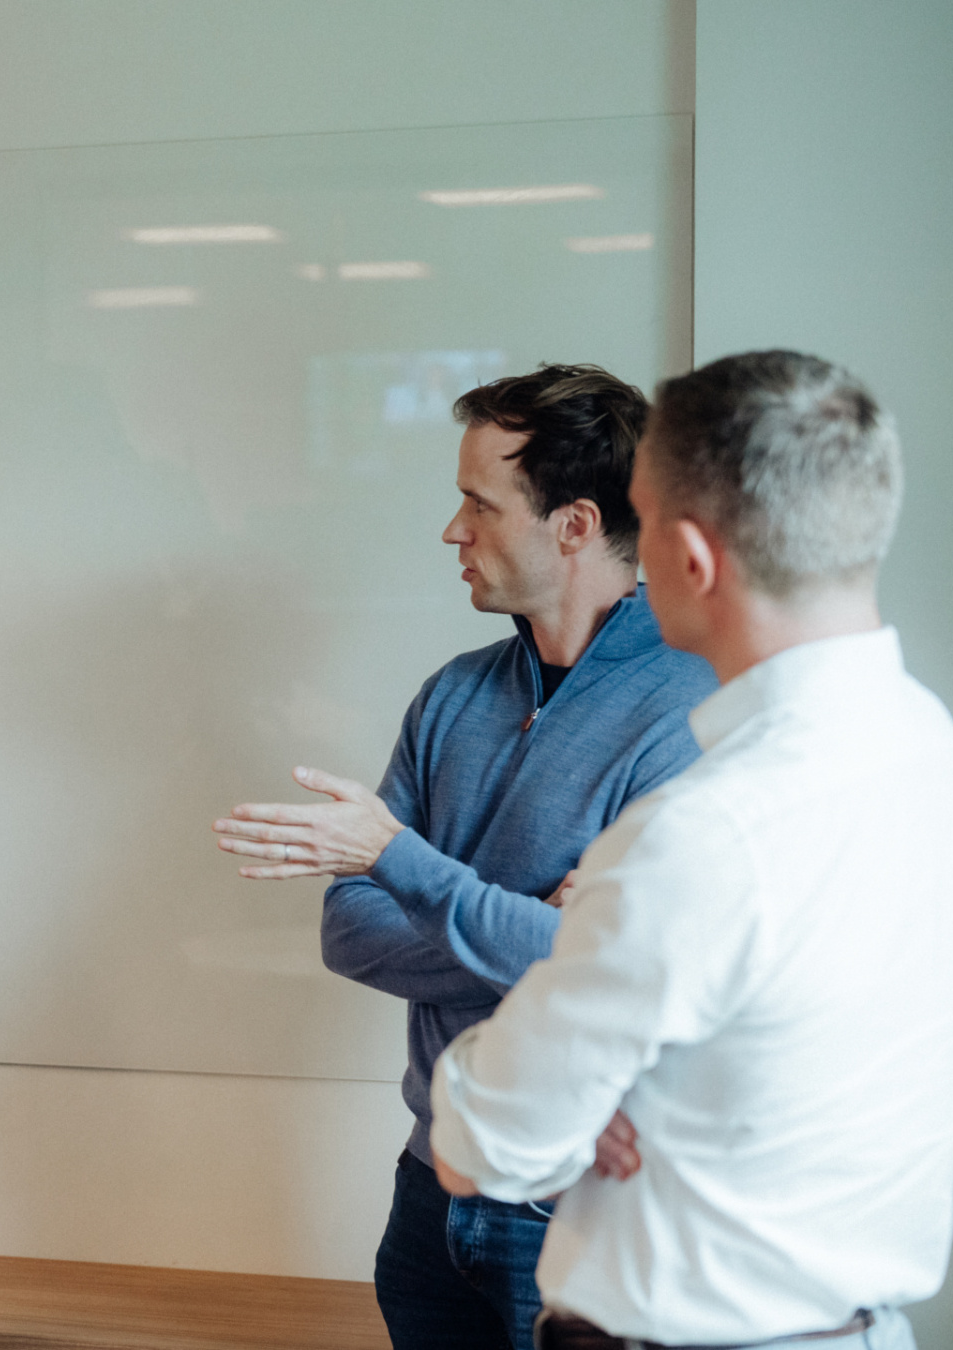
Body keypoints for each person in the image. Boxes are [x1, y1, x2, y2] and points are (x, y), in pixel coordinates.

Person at [428, 351, 953, 1350]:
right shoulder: (943, 763)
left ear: (688, 556)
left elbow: (480, 1149)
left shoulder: (702, 834)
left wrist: (543, 1071)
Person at [211, 365, 717, 1349]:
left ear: (573, 525)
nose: (454, 531)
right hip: (429, 1190)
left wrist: (412, 869)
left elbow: (630, 974)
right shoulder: (453, 696)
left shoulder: (690, 710)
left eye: (478, 505)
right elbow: (352, 931)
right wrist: (543, 925)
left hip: (584, 1206)